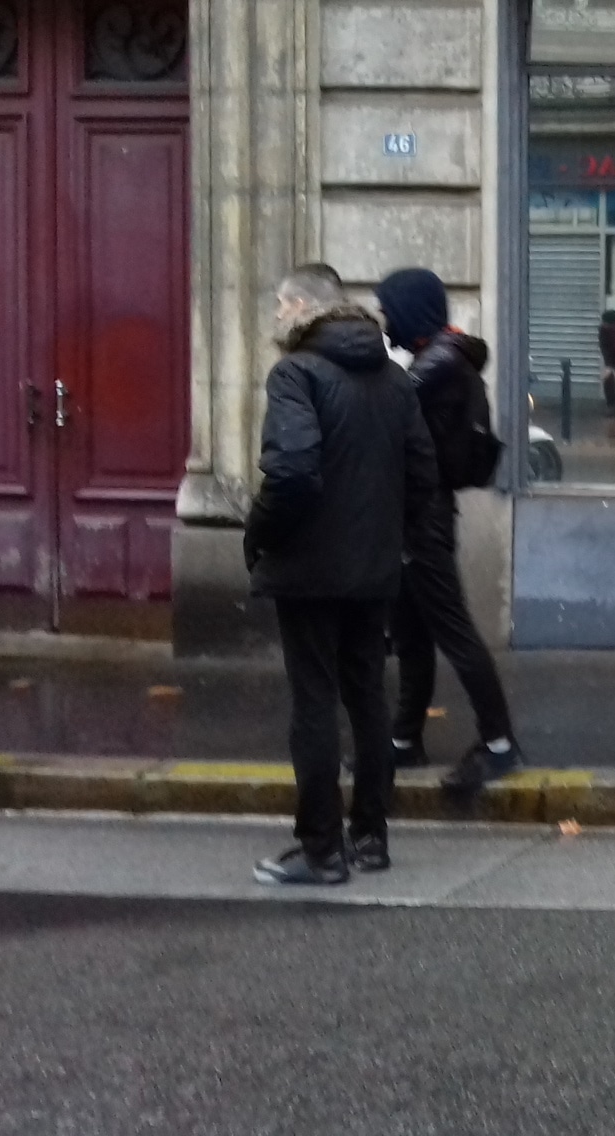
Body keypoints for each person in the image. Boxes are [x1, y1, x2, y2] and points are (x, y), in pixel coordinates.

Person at [244, 263, 437, 885]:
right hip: (373, 567)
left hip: (309, 568)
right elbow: (422, 474)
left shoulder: (296, 373)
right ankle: (371, 837)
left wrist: (259, 533)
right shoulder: (393, 378)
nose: (278, 316)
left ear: (303, 307)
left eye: (281, 304)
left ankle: (321, 849)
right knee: (368, 698)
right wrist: (394, 540)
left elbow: (292, 471)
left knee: (314, 704)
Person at [373, 267, 525, 801]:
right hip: (416, 517)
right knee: (412, 635)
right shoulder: (441, 359)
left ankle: (500, 743)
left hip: (422, 520)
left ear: (410, 311)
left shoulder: (435, 367)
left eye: (388, 310)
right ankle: (404, 739)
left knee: (454, 633)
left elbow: (391, 423)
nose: (383, 321)